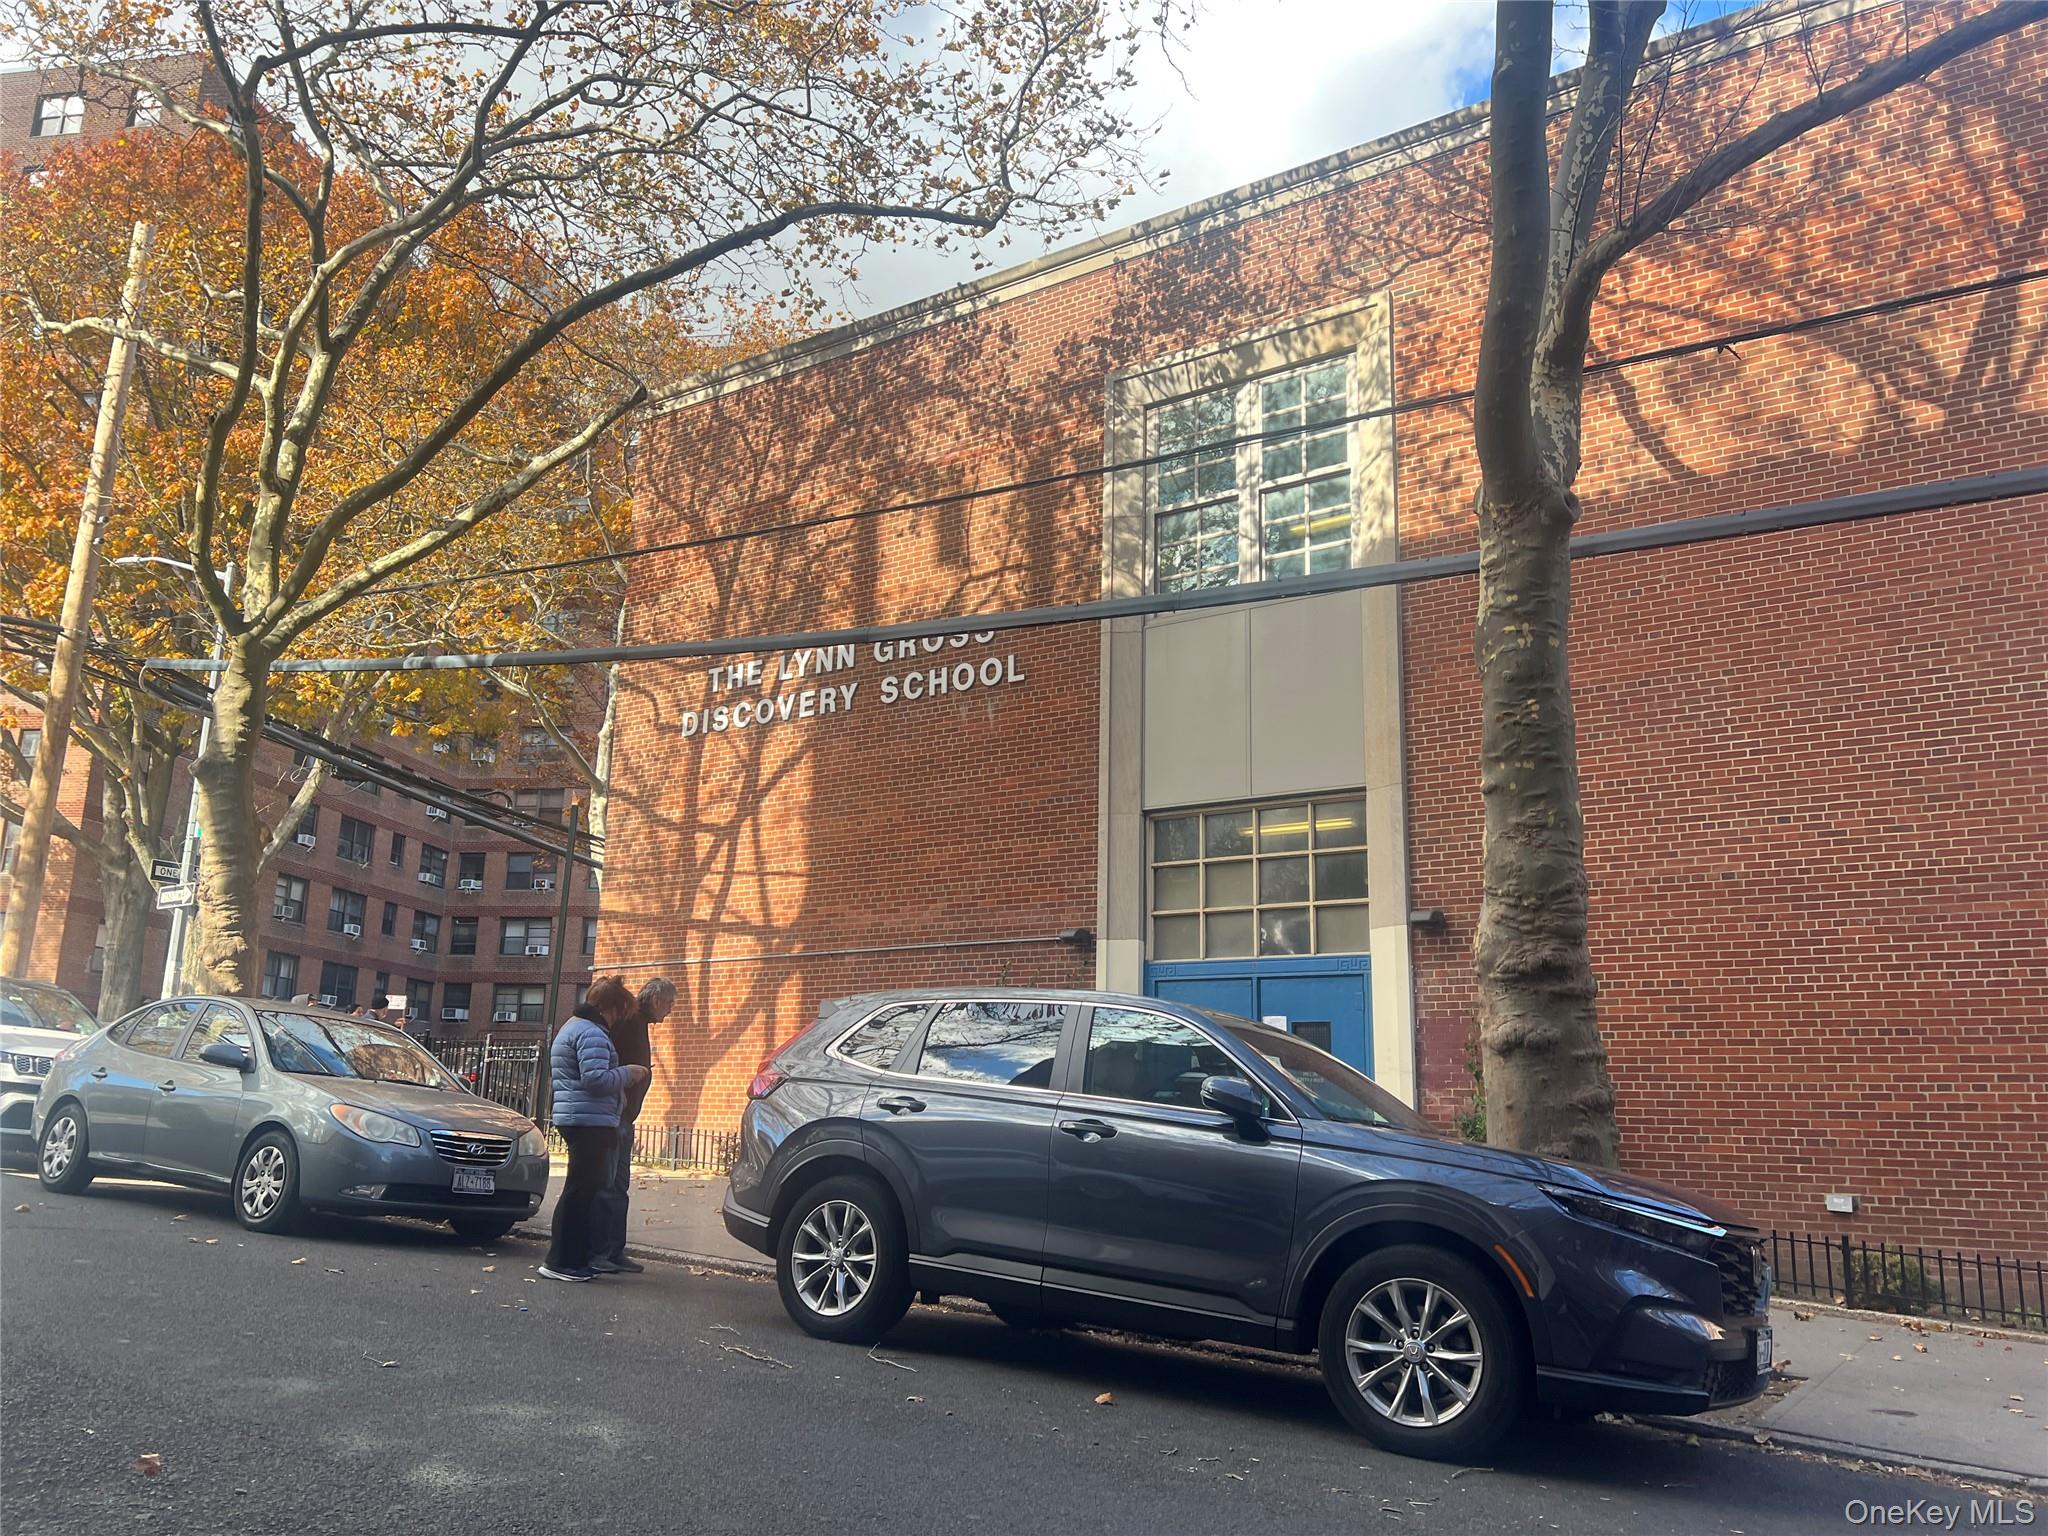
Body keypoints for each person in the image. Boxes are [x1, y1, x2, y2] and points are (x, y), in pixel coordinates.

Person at [540, 978, 648, 1282]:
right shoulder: (592, 1033)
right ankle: (563, 1261)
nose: (618, 1019)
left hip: (577, 1117)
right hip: (589, 1121)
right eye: (619, 1011)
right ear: (609, 1007)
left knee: (579, 1191)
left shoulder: (574, 1027)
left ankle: (567, 1259)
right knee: (581, 1193)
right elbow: (596, 1080)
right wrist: (629, 1072)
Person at [590, 977, 675, 1275]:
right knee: (609, 1185)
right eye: (669, 1004)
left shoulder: (637, 1022)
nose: (669, 1011)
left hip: (625, 1118)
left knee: (619, 1187)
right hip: (616, 1116)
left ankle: (614, 1250)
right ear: (655, 1000)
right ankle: (600, 1251)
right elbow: (610, 1063)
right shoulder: (629, 1021)